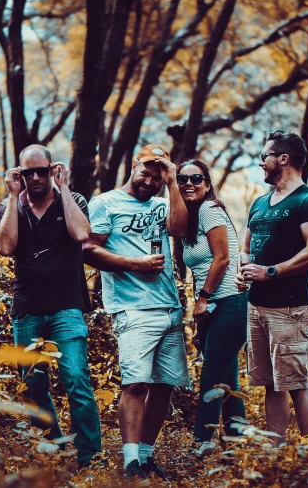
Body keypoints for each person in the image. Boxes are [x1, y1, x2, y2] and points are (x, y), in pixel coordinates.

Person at [84, 144, 189, 479]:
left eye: (157, 177)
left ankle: (145, 457)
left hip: (169, 309)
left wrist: (173, 185)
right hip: (133, 309)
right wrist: (135, 264)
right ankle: (130, 464)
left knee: (164, 385)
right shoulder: (106, 203)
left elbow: (180, 230)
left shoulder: (164, 204)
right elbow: (89, 249)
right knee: (135, 384)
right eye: (145, 172)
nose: (149, 181)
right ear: (133, 166)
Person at [0, 145, 101, 468]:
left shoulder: (73, 200)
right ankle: (54, 449)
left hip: (66, 307)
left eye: (42, 171)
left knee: (76, 379)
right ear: (20, 174)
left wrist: (64, 187)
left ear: (52, 169)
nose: (36, 178)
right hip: (27, 309)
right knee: (32, 386)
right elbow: (4, 247)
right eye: (29, 173)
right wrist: (13, 197)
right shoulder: (10, 206)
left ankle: (90, 458)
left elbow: (82, 233)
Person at [236, 130, 308, 446]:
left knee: (297, 382)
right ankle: (274, 453)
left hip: (289, 308)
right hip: (256, 306)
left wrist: (271, 272)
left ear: (283, 159)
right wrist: (243, 269)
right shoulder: (260, 203)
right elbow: (246, 246)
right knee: (272, 384)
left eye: (265, 156)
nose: (261, 163)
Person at [170, 159, 247, 453]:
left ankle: (200, 449)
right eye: (182, 179)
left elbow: (223, 258)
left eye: (196, 178)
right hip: (213, 307)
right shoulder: (189, 218)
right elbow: (197, 268)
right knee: (227, 380)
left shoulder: (209, 209)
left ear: (208, 184)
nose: (189, 183)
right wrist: (199, 313)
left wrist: (202, 299)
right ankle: (235, 448)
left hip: (230, 302)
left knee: (211, 378)